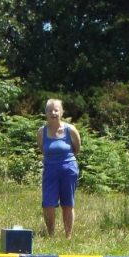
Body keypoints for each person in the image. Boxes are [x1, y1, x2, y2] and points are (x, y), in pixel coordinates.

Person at [37, 98, 81, 238]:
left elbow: (77, 148)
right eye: (50, 110)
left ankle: (68, 236)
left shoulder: (70, 130)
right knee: (48, 203)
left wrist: (63, 159)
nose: (53, 113)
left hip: (68, 168)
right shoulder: (41, 132)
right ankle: (51, 235)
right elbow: (42, 149)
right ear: (46, 113)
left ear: (61, 112)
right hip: (50, 169)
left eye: (56, 110)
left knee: (67, 204)